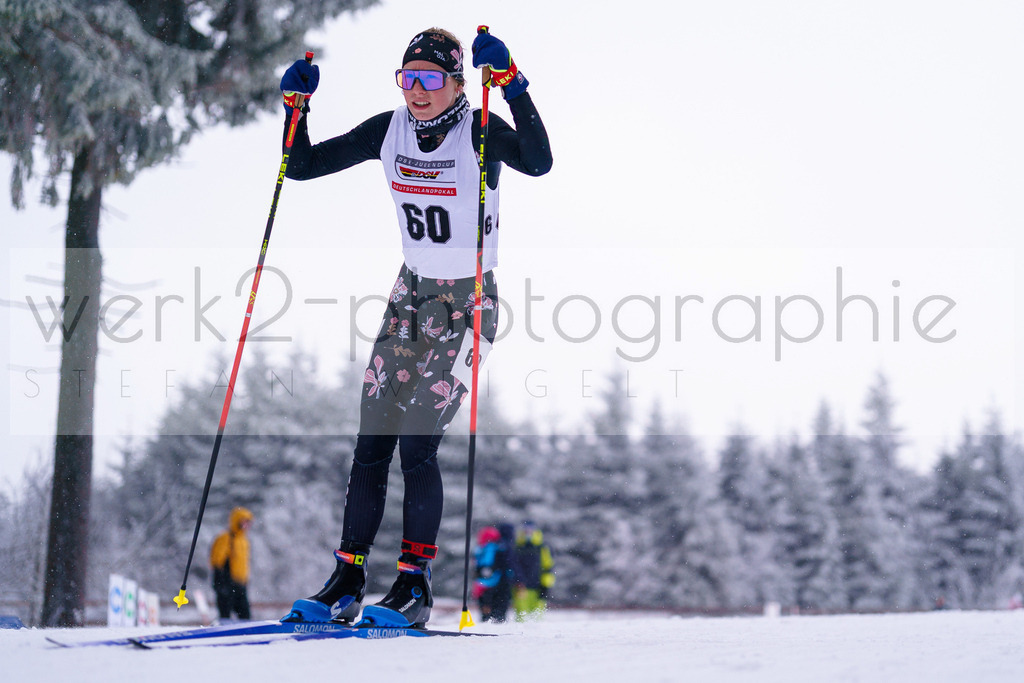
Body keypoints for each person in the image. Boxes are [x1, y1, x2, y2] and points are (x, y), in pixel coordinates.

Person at [279, 28, 551, 628]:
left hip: (468, 302)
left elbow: (538, 160)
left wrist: (511, 84)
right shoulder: (389, 130)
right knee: (371, 440)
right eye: (408, 79)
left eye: (431, 79)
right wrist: (296, 111)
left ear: (458, 82)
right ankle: (347, 578)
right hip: (410, 295)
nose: (418, 92)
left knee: (417, 441)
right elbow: (300, 166)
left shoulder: (480, 131)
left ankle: (414, 583)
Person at [209, 506, 254, 621]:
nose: (247, 525)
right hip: (226, 582)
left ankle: (245, 637)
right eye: (244, 521)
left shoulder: (243, 540)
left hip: (240, 584)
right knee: (225, 616)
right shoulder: (226, 537)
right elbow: (217, 560)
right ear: (237, 520)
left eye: (249, 522)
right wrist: (221, 582)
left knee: (245, 616)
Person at [513, 520, 554, 620]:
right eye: (526, 531)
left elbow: (547, 567)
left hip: (537, 586)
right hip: (521, 586)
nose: (528, 533)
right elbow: (514, 566)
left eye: (530, 531)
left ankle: (535, 634)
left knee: (537, 617)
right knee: (521, 615)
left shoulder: (541, 548)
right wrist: (517, 580)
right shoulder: (517, 547)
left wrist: (546, 585)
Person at [473, 525, 513, 622]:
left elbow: (480, 568)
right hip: (495, 584)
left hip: (482, 586)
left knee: (486, 614)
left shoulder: (480, 549)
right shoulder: (495, 548)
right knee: (498, 615)